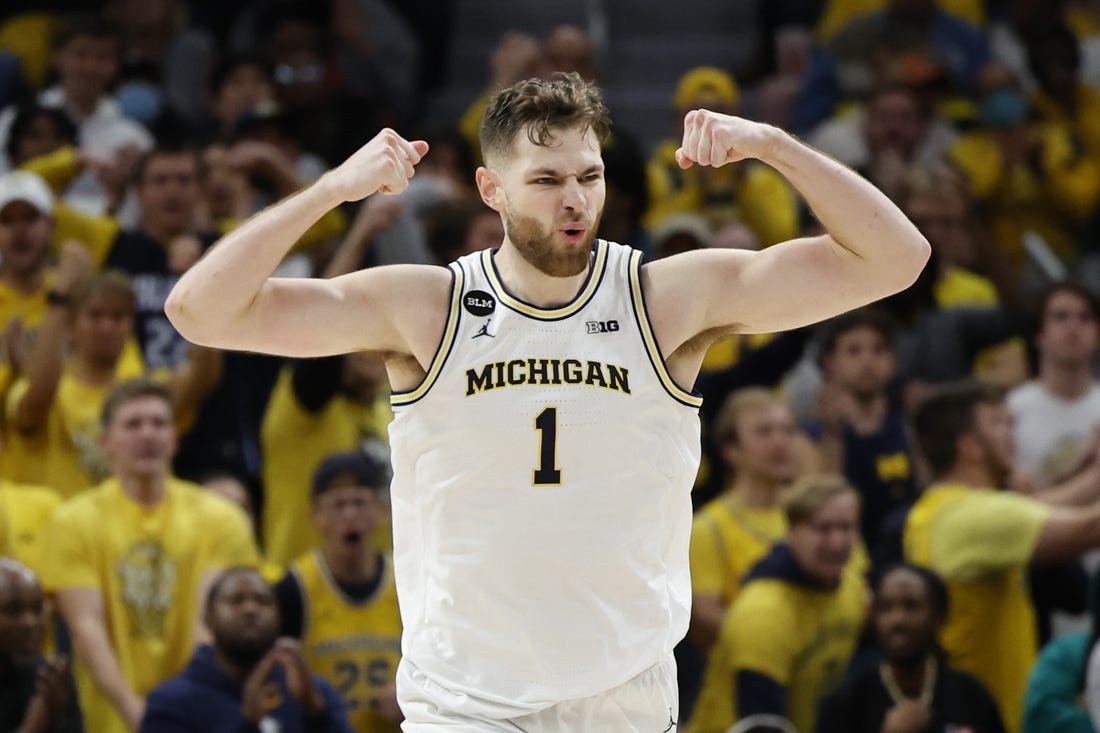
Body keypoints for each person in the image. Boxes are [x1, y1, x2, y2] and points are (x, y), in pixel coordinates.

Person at [165, 73, 929, 730]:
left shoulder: (665, 298)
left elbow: (898, 259)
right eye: (546, 180)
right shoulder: (428, 306)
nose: (574, 201)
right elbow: (200, 310)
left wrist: (772, 143)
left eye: (588, 177)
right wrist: (333, 189)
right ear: (490, 188)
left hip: (621, 691)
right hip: (465, 696)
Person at [40, 379, 260, 733]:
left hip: (199, 720)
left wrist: (176, 716)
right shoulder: (72, 522)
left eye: (159, 423)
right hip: (109, 722)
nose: (148, 434)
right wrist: (144, 719)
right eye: (133, 424)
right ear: (105, 443)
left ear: (174, 439)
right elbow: (85, 629)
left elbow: (207, 626)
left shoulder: (221, 518)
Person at [906, 379, 1100, 732]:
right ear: (970, 448)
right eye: (998, 423)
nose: (1012, 434)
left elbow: (1033, 511)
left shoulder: (941, 509)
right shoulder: (973, 516)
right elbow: (1086, 529)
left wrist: (1093, 474)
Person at [688, 474, 869, 733]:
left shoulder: (852, 588)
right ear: (791, 532)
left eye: (846, 527)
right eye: (823, 528)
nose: (837, 541)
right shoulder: (764, 613)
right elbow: (762, 725)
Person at [275, 451, 403, 731]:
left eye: (359, 502)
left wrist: (413, 696)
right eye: (338, 504)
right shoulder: (294, 588)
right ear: (316, 516)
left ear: (382, 512)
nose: (350, 515)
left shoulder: (406, 580)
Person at [140, 566, 354, 733]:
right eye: (236, 600)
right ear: (208, 618)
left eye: (263, 601)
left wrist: (316, 713)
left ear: (281, 617)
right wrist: (247, 724)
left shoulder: (312, 692)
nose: (250, 609)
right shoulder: (172, 703)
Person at [816, 563, 1005, 733]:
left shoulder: (971, 695)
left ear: (939, 615)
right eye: (886, 607)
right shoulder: (847, 702)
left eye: (912, 606)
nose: (898, 620)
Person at [688, 388, 807, 652]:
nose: (780, 442)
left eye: (788, 431)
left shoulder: (813, 511)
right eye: (764, 432)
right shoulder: (707, 529)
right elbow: (705, 617)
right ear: (731, 450)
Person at [0, 558, 79, 733]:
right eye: (13, 611)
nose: (30, 622)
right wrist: (36, 726)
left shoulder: (48, 677)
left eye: (37, 609)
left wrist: (58, 719)